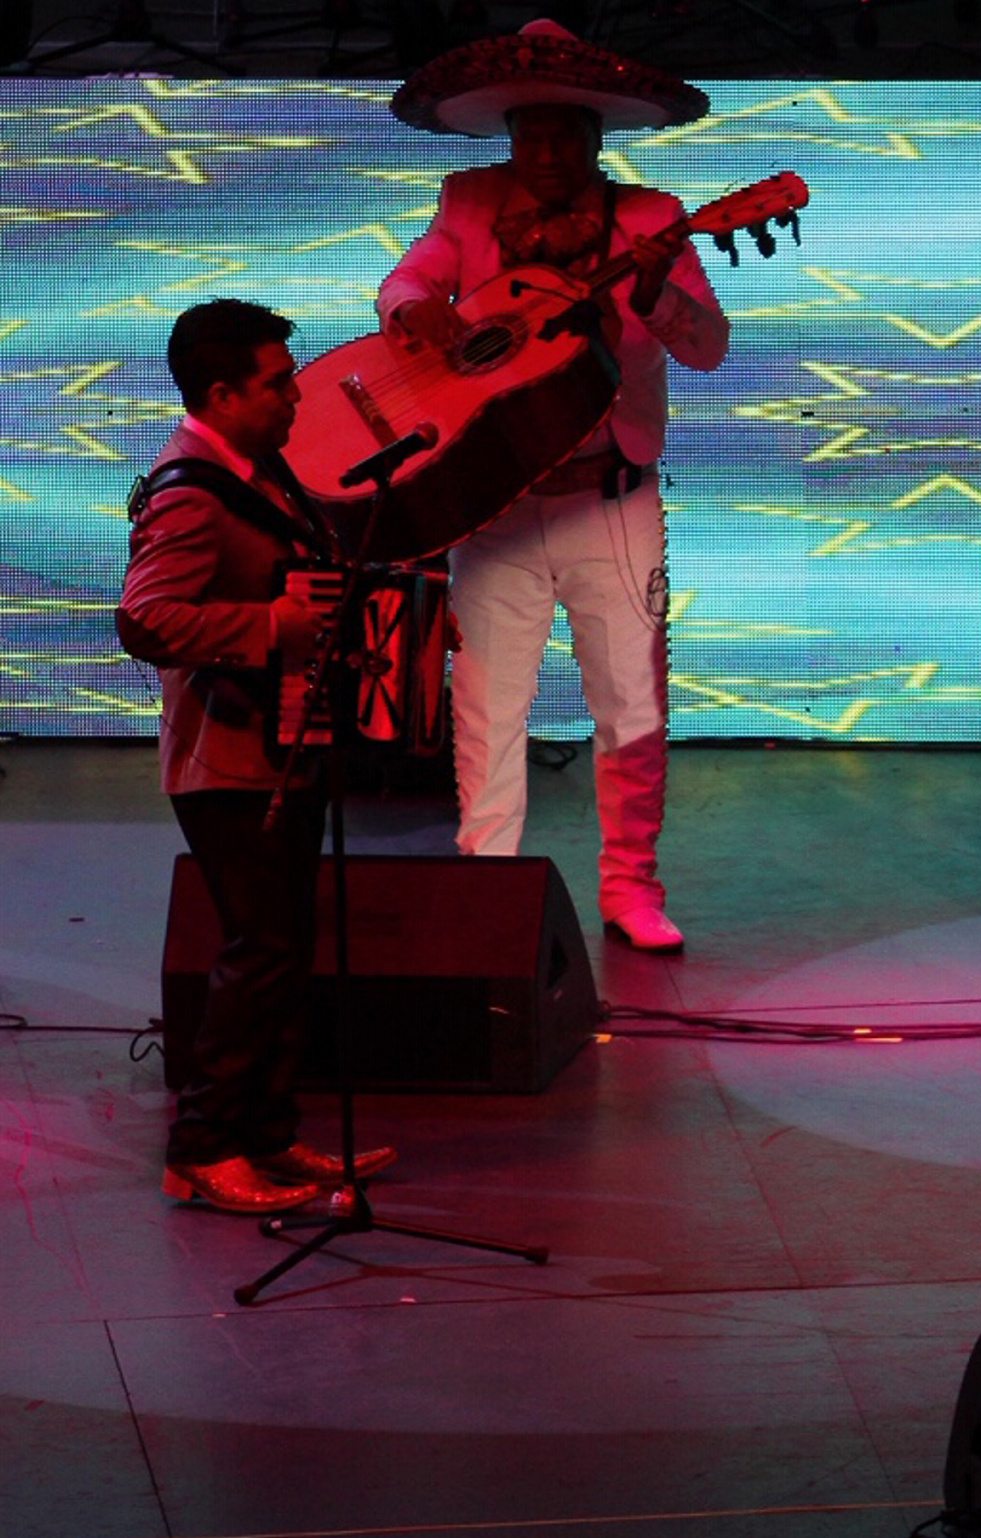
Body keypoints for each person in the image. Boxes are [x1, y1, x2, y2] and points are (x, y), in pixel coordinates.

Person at [378, 20, 728, 953]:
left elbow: (707, 347)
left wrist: (653, 296)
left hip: (611, 496)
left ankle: (631, 888)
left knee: (631, 702)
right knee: (489, 704)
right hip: (494, 501)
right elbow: (407, 279)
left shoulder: (653, 219)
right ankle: (487, 877)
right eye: (529, 135)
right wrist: (418, 313)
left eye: (564, 136)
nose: (544, 153)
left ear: (595, 140)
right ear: (508, 136)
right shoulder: (469, 201)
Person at [118, 298, 396, 1213]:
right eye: (278, 384)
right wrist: (268, 628)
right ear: (223, 392)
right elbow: (147, 619)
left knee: (284, 950)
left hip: (280, 748)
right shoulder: (192, 490)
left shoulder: (255, 466)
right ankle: (201, 1149)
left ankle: (266, 1135)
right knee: (258, 951)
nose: (296, 396)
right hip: (226, 760)